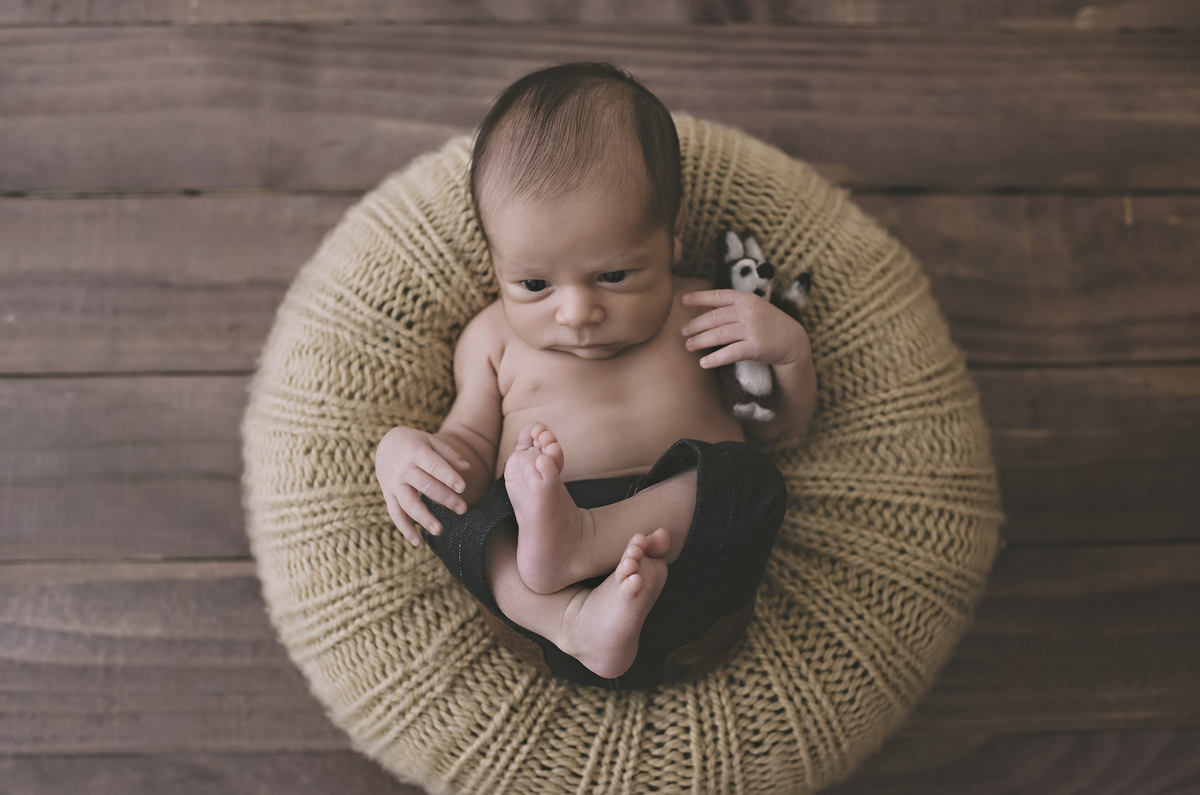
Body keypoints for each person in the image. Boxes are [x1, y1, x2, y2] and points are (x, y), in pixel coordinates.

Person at [374, 62, 817, 689]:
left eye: (613, 275)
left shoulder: (706, 311)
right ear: (494, 260)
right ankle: (572, 616)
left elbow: (779, 429)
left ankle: (587, 540)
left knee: (751, 479)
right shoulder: (492, 340)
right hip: (544, 603)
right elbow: (466, 455)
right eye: (533, 284)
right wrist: (404, 454)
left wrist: (788, 354)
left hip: (694, 586)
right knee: (452, 509)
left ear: (672, 235)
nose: (578, 313)